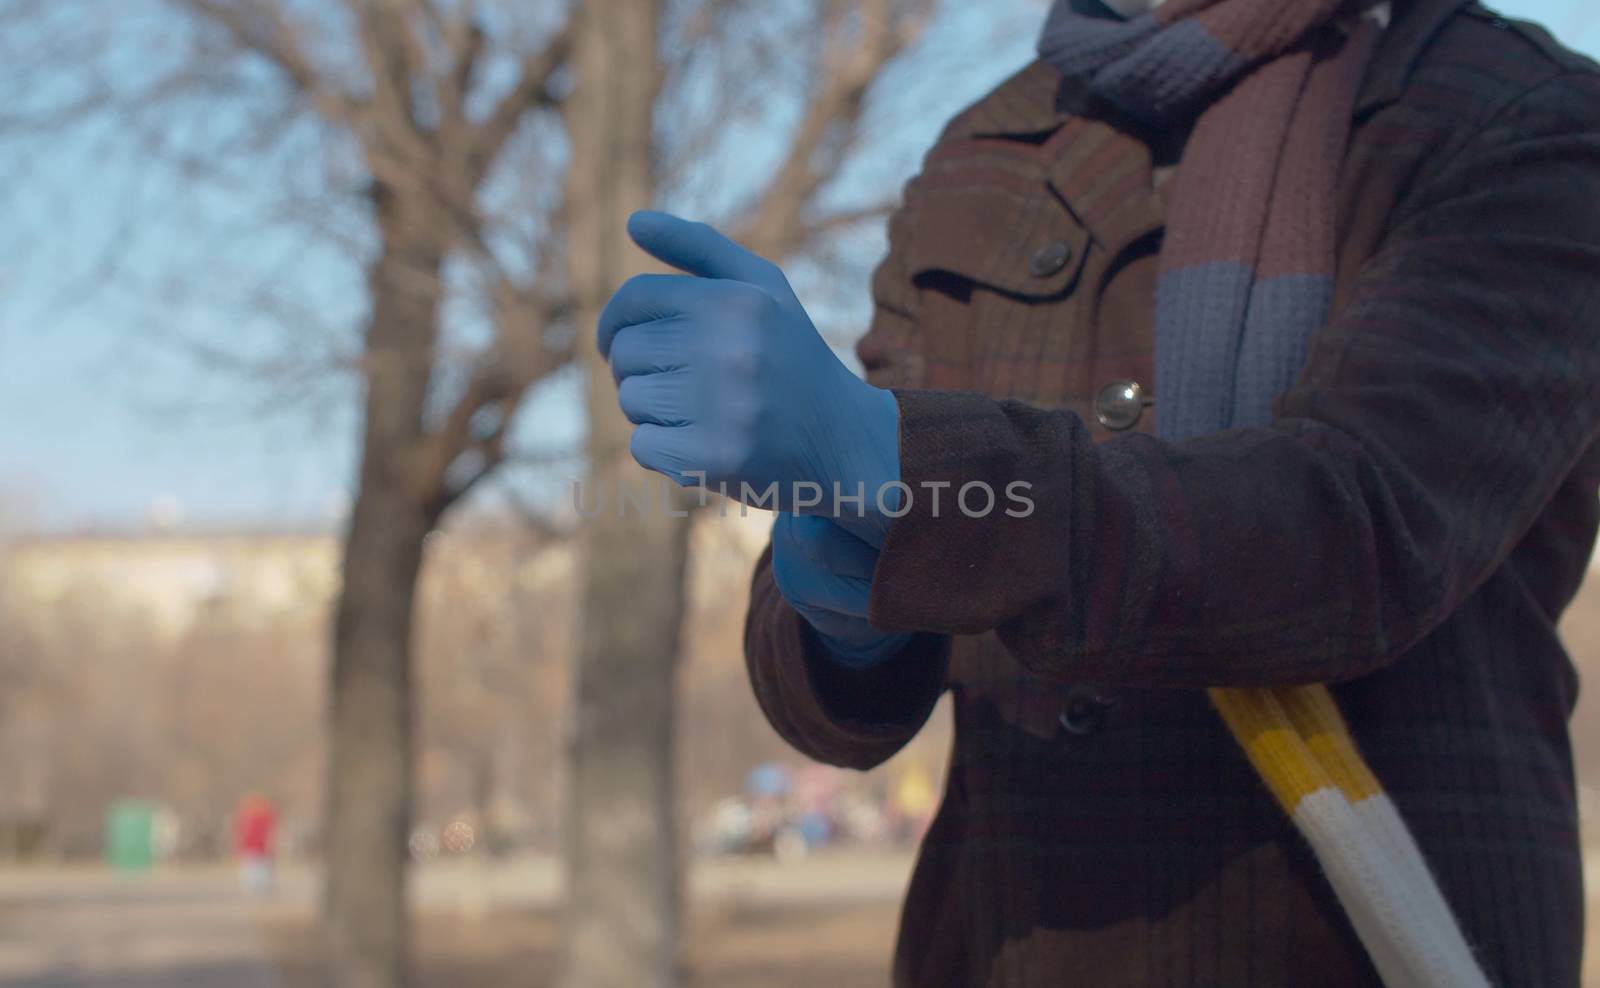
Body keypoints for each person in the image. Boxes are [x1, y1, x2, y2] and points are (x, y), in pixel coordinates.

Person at [596, 0, 1600, 983]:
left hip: (1353, 937)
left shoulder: (1519, 109)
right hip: (1013, 937)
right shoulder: (980, 147)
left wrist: (911, 475)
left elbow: (1360, 527)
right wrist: (839, 609)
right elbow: (832, 705)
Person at [233, 793, 277, 897]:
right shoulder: (246, 815)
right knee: (251, 872)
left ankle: (262, 891)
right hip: (250, 848)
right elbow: (241, 832)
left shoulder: (266, 816)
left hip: (261, 849)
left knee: (262, 872)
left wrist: (271, 845)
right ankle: (254, 891)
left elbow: (271, 832)